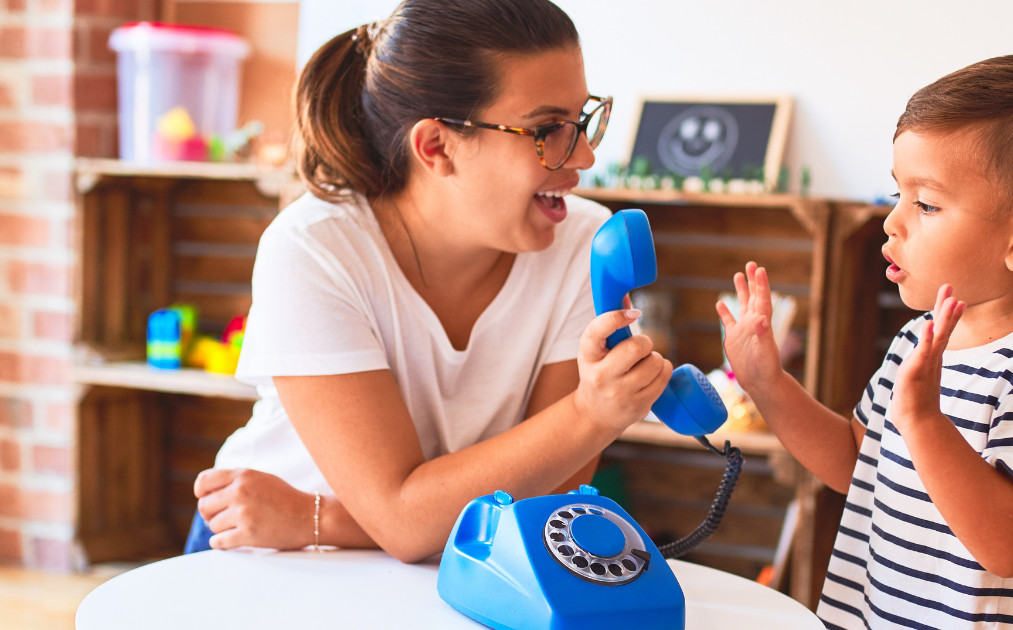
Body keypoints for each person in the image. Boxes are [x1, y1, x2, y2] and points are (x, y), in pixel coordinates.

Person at [185, 0, 674, 562]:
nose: (584, 155)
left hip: (424, 557)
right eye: (548, 129)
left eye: (582, 119)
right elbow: (404, 523)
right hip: (268, 554)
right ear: (436, 147)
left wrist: (325, 519)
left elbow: (547, 507)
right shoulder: (313, 249)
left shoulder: (583, 243)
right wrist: (589, 415)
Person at [716, 55, 1013, 628]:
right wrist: (767, 382)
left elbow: (1011, 548)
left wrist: (925, 423)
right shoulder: (919, 339)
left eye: (926, 204)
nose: (893, 223)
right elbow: (857, 462)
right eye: (897, 196)